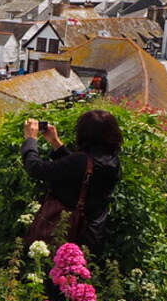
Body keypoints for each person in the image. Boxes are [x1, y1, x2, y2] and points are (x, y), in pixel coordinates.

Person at [22, 111, 123, 260]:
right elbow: (80, 169)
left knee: (60, 278)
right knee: (81, 278)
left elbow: (36, 169)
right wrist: (55, 143)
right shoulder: (112, 159)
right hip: (93, 233)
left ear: (84, 134)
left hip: (68, 232)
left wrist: (30, 140)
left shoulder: (80, 160)